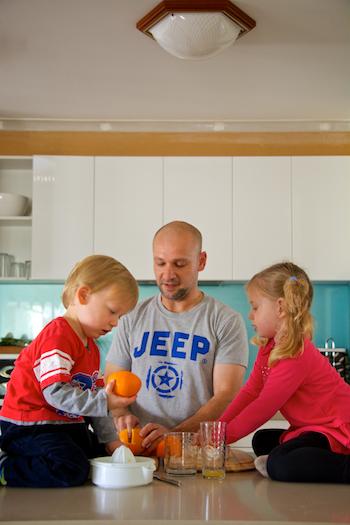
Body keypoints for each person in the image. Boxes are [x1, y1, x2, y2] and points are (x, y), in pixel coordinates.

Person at [105, 220, 249, 452]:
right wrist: (121, 414)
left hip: (195, 450)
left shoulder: (225, 320)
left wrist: (176, 436)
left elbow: (225, 396)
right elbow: (113, 384)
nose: (167, 274)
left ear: (201, 261)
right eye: (160, 263)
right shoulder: (132, 317)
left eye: (180, 264)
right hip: (137, 449)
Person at [0, 255, 139, 488]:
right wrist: (105, 401)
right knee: (72, 467)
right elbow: (54, 392)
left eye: (120, 316)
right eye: (112, 311)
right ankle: (7, 468)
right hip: (30, 426)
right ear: (83, 295)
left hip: (63, 426)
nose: (116, 322)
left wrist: (111, 441)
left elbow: (95, 404)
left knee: (98, 458)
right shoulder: (59, 335)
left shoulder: (92, 348)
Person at [219, 261, 350, 483]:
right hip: (312, 428)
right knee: (262, 440)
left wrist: (222, 438)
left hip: (337, 428)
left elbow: (264, 406)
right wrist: (219, 429)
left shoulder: (295, 353)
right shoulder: (269, 347)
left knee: (281, 464)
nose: (250, 315)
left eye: (255, 306)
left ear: (279, 307)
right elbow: (250, 392)